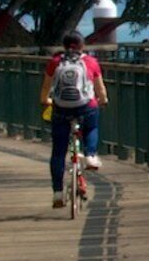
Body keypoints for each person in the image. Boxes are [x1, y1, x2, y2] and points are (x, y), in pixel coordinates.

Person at [40, 38, 106, 208]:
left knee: (58, 152)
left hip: (61, 109)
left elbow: (45, 91)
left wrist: (46, 100)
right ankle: (90, 155)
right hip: (85, 107)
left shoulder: (55, 62)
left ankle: (57, 194)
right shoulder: (91, 62)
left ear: (64, 46)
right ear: (82, 46)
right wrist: (103, 100)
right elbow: (100, 90)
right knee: (91, 126)